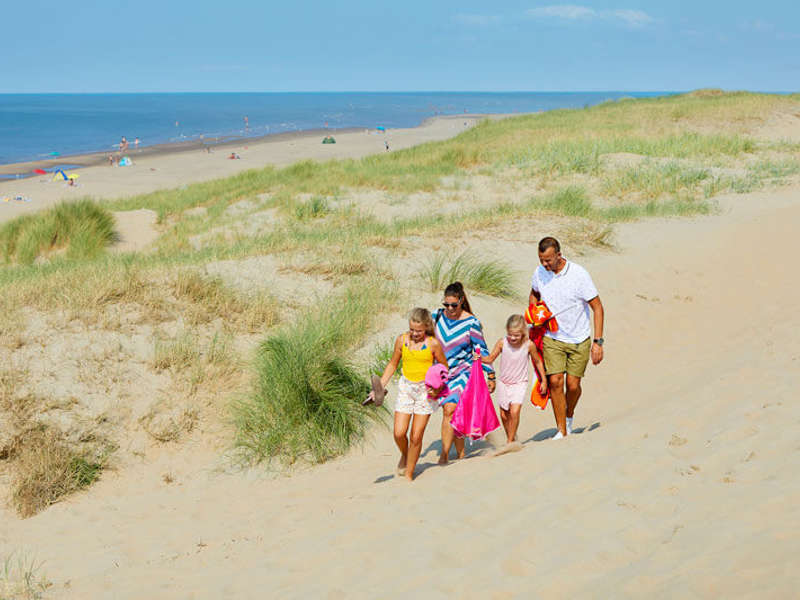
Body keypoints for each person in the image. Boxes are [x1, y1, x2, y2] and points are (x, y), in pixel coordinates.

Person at [530, 237, 604, 439]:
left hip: (579, 339)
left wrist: (598, 342)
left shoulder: (579, 275)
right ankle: (561, 430)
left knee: (573, 386)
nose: (544, 264)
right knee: (555, 382)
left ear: (559, 255)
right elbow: (534, 294)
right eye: (541, 260)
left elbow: (597, 307)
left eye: (548, 260)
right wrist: (535, 313)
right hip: (552, 337)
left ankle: (568, 415)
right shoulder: (539, 273)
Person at [369, 308, 447, 481]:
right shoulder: (402, 340)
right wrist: (380, 386)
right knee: (398, 433)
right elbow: (392, 364)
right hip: (406, 388)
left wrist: (438, 387)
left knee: (416, 436)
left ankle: (409, 475)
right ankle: (406, 454)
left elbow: (444, 368)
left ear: (426, 327)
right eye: (412, 329)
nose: (414, 333)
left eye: (418, 330)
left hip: (425, 392)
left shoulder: (433, 344)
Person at [432, 282, 494, 464]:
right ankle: (460, 453)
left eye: (454, 305)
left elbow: (480, 349)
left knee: (450, 409)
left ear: (461, 301)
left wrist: (490, 374)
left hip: (463, 372)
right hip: (443, 373)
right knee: (453, 412)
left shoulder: (471, 323)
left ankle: (444, 455)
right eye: (447, 305)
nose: (450, 309)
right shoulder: (436, 317)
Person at [481, 315, 548, 447]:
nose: (512, 338)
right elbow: (490, 359)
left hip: (520, 383)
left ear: (523, 333)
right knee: (504, 414)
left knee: (514, 411)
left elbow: (538, 361)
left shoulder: (529, 345)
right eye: (510, 334)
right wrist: (478, 357)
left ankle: (510, 442)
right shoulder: (502, 342)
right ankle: (511, 435)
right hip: (503, 383)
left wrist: (544, 380)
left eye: (516, 335)